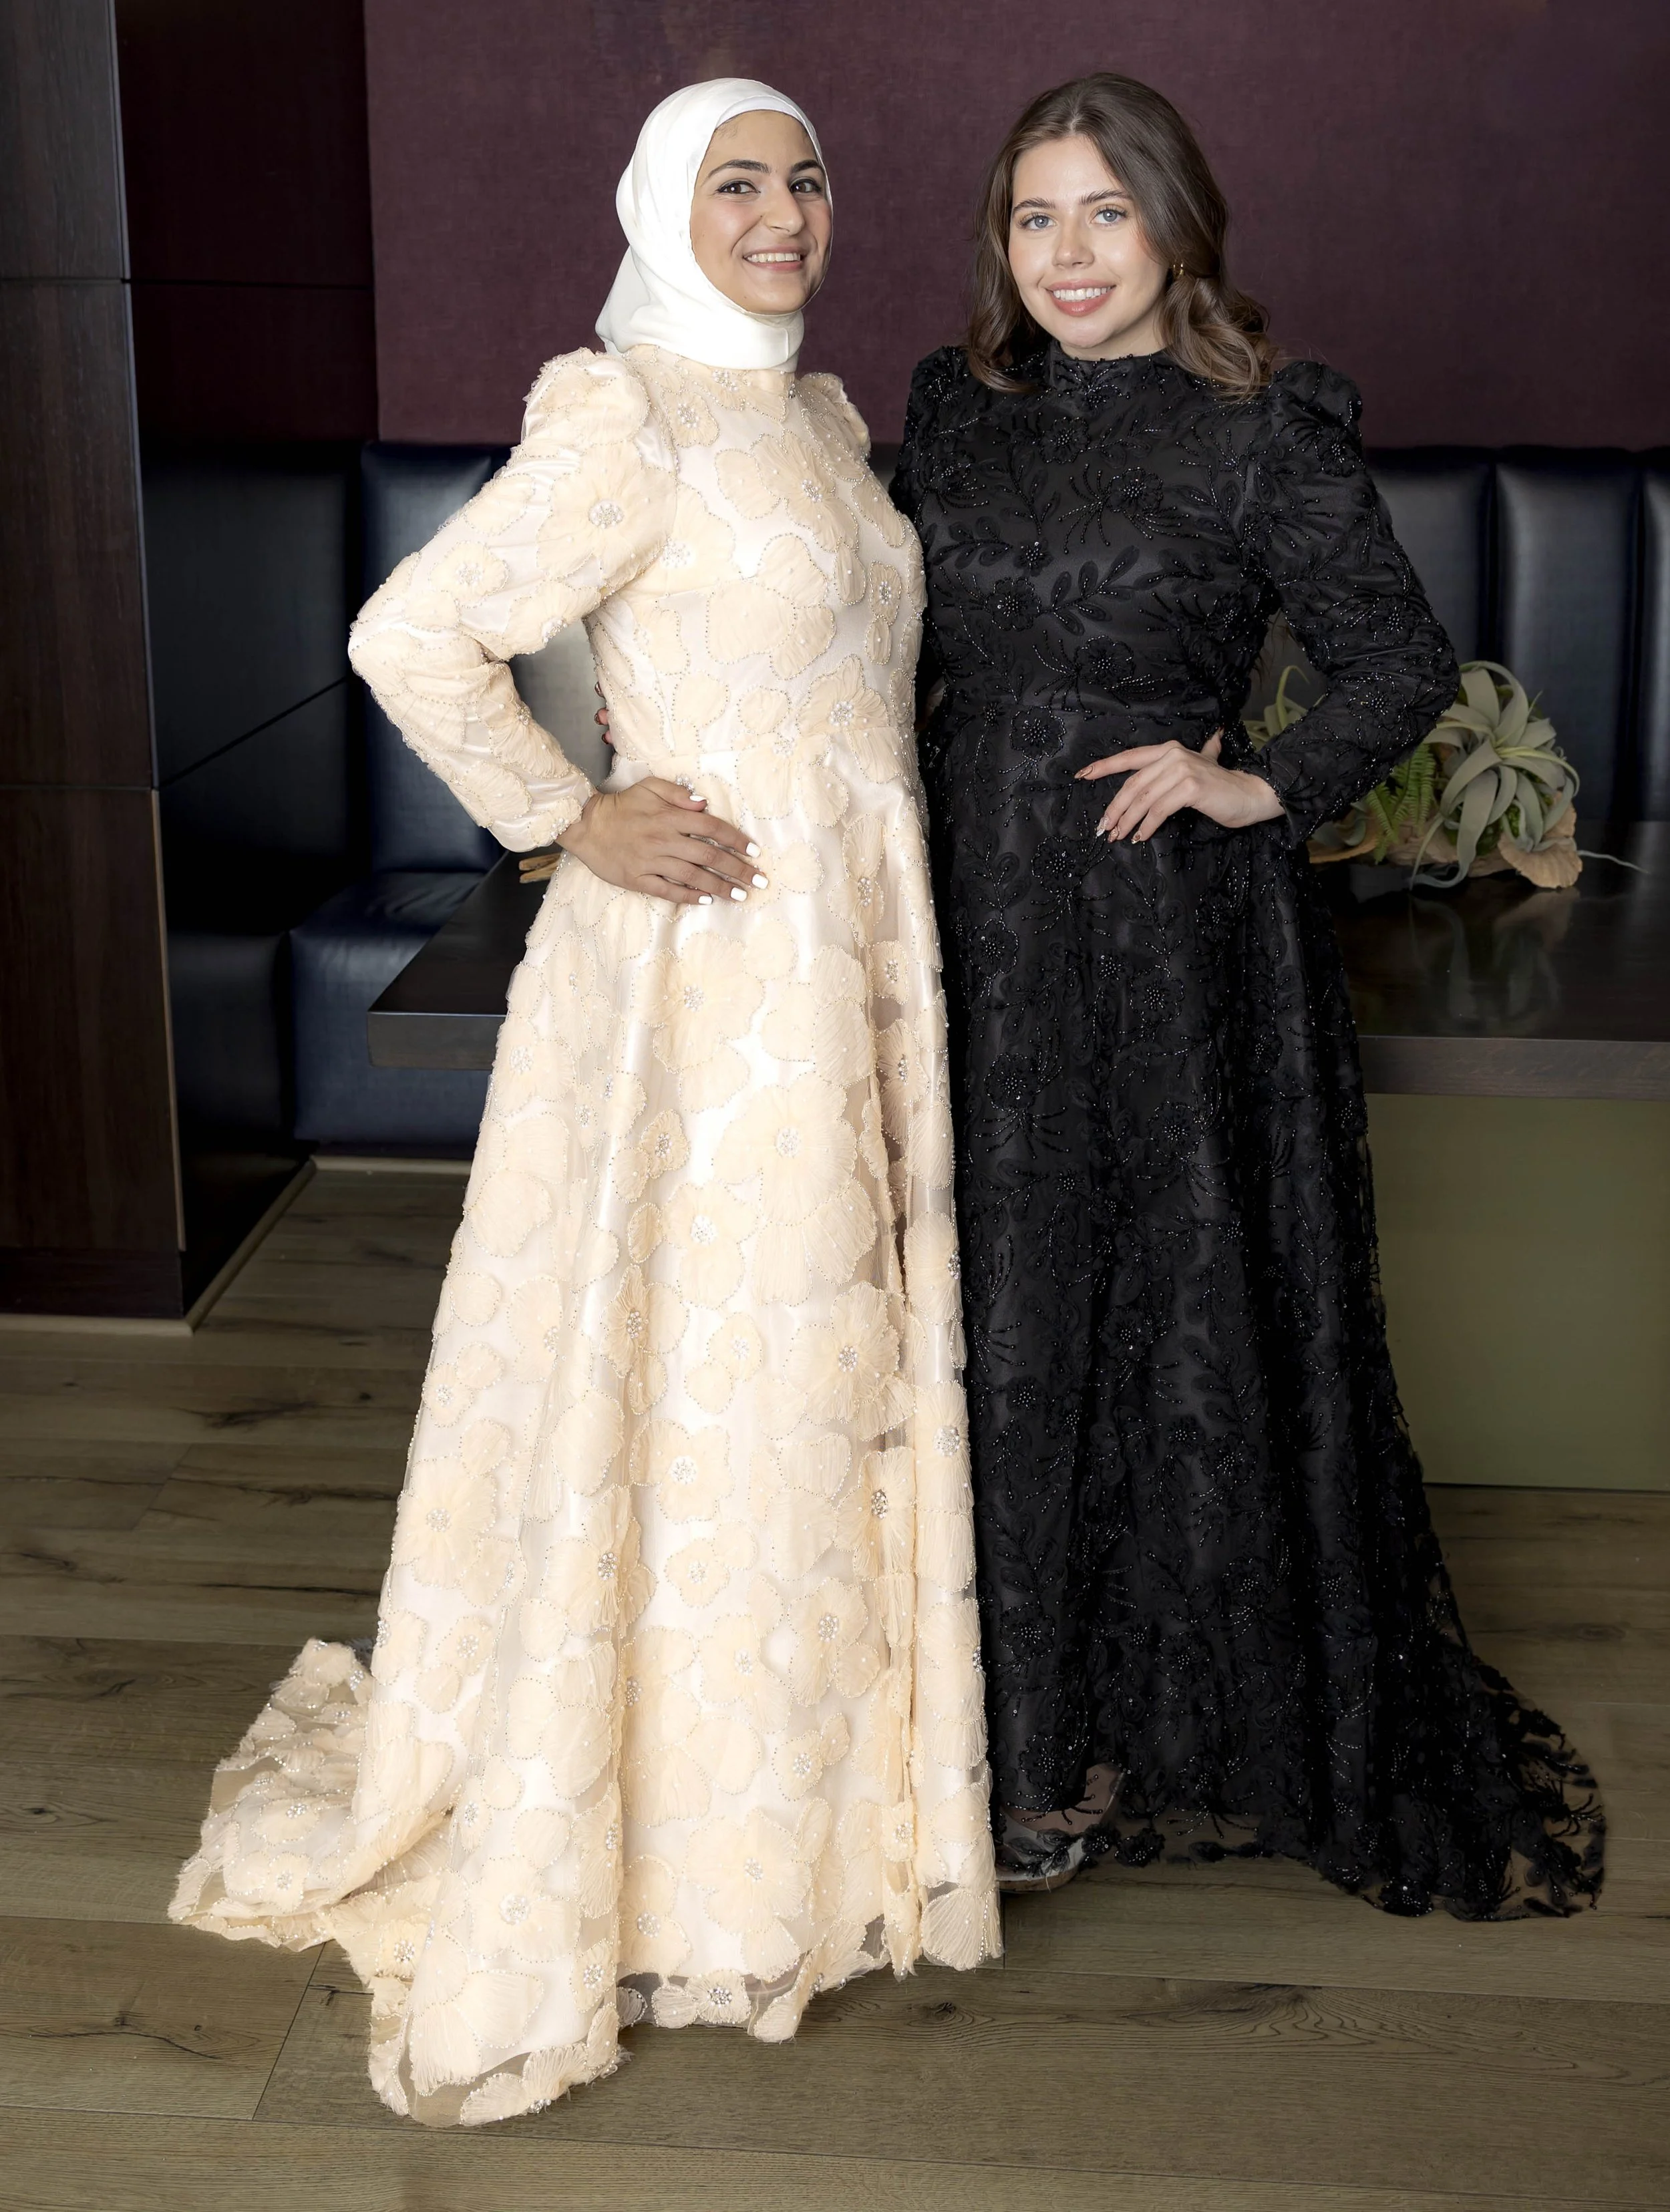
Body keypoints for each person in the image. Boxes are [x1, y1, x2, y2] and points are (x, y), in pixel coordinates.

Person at [170, 78, 998, 2129]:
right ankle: (665, 1842)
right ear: (658, 205)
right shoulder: (618, 407)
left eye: (806, 177)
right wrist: (567, 817)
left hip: (849, 968)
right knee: (693, 1377)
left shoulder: (806, 418)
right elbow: (413, 632)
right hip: (708, 991)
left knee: (801, 1386)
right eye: (738, 182)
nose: (786, 213)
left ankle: (799, 1813)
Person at [890, 72, 1605, 1911]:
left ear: (1176, 229)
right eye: (1033, 217)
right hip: (970, 924)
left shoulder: (1263, 426)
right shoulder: (949, 416)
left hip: (1168, 940)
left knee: (1169, 1310)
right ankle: (1013, 1725)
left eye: (1103, 215)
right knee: (1009, 1309)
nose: (1064, 255)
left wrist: (1255, 783)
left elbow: (1397, 660)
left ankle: (1132, 1730)